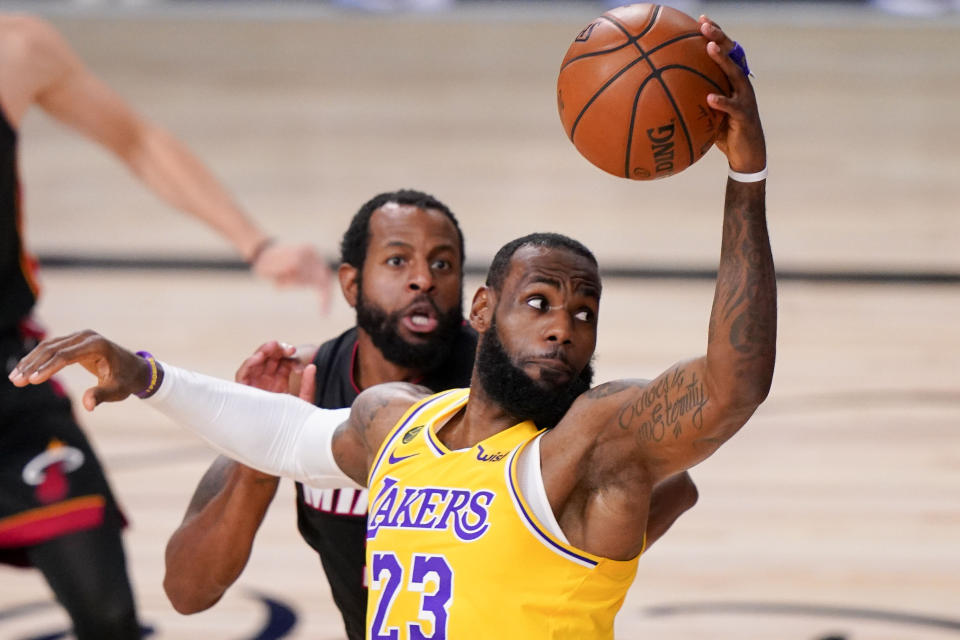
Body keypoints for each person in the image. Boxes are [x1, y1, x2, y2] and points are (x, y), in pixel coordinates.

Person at [10, 16, 772, 638]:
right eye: (540, 302)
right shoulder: (396, 423)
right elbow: (277, 433)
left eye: (584, 313)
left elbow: (730, 388)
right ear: (484, 309)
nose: (565, 328)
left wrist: (746, 181)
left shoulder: (586, 445)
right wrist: (144, 374)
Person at [162, 189, 698, 640]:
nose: (424, 280)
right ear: (351, 283)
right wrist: (261, 456)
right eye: (399, 261)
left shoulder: (511, 378)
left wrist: (537, 552)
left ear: (474, 297)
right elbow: (188, 592)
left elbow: (676, 481)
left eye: (442, 264)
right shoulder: (309, 381)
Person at [0, 13, 330, 639]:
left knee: (108, 614)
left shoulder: (15, 49)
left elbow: (136, 139)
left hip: (10, 374)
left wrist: (256, 244)